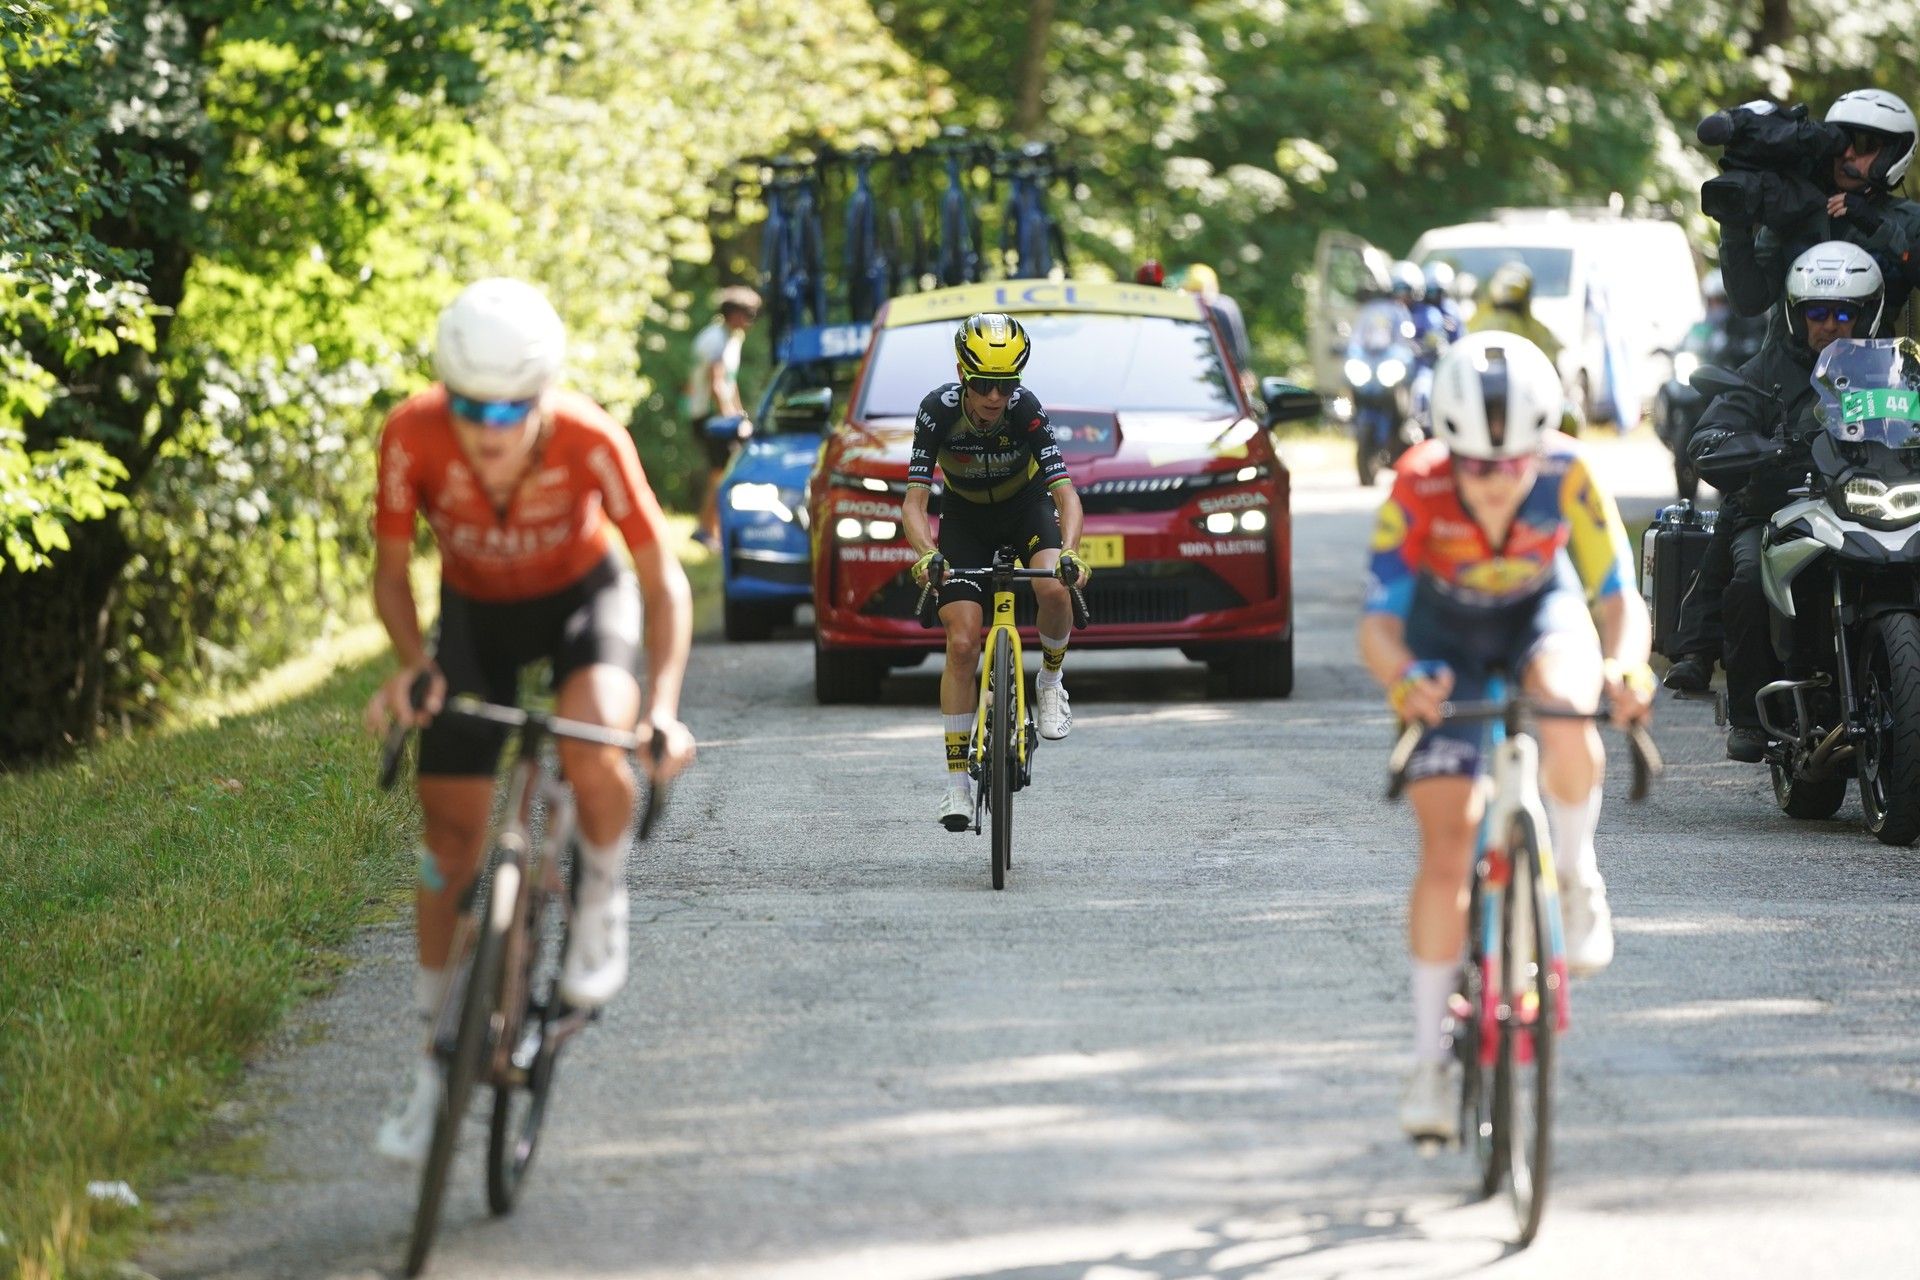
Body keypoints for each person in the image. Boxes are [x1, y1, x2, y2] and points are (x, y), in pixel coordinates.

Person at [363, 278, 697, 1161]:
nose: (485, 427)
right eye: (467, 404)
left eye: (509, 410)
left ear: (541, 397)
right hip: (475, 618)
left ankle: (600, 899)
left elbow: (662, 578)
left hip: (587, 606)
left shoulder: (591, 438)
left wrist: (662, 709)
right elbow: (393, 573)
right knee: (448, 839)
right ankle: (433, 1064)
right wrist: (412, 667)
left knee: (595, 744)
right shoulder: (411, 432)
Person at [1359, 331, 1654, 1140]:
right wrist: (1402, 681)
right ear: (1446, 449)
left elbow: (1618, 595)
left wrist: (1628, 668)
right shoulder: (1416, 486)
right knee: (1448, 845)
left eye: (1514, 464)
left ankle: (1577, 876)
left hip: (1538, 615)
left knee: (1567, 701)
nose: (1496, 484)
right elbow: (1378, 623)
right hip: (1442, 640)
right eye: (1478, 468)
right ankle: (1428, 1064)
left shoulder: (1567, 473)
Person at [1685, 243, 1882, 761]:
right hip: (1783, 512)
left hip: (1871, 508)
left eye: (1845, 312)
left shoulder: (1893, 368)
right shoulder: (1767, 368)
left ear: (1868, 313)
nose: (1831, 324)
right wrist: (1752, 446)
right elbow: (1713, 429)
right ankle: (1752, 716)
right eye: (1818, 312)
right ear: (1797, 314)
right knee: (1750, 575)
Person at [900, 313, 1089, 830]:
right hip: (965, 520)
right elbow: (915, 502)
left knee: (1054, 585)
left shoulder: (1026, 410)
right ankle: (956, 786)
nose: (995, 397)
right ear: (963, 375)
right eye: (984, 384)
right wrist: (925, 552)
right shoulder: (936, 412)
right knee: (961, 643)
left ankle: (1050, 681)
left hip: (1023, 508)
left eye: (1006, 385)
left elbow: (1064, 493)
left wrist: (1070, 551)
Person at [1720, 90, 1920, 333]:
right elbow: (1749, 302)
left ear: (1893, 154)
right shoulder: (1796, 206)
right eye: (1841, 142)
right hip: (1785, 367)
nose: (1847, 154)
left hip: (1871, 367)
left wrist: (1879, 228)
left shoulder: (1909, 220)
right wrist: (1733, 225)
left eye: (1864, 144)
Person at [687, 285, 762, 550]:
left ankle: (712, 529)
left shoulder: (731, 337)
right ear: (733, 314)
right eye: (747, 314)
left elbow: (730, 383)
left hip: (718, 415)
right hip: (709, 416)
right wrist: (731, 420)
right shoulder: (716, 339)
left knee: (723, 471)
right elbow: (716, 383)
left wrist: (740, 414)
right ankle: (706, 530)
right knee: (720, 473)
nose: (751, 321)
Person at [1180, 262, 1254, 375]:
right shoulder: (1226, 307)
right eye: (1194, 293)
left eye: (1199, 293)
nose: (1198, 300)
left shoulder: (1222, 310)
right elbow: (1239, 357)